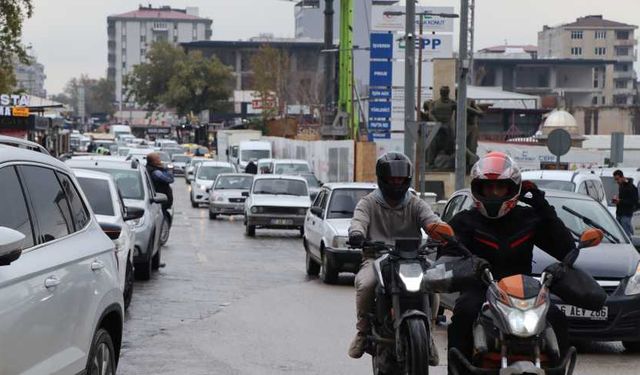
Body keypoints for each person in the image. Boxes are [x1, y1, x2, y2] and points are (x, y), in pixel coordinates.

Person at [444, 151, 574, 372]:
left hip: (525, 293)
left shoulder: (529, 218)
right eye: (488, 187)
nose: (494, 193)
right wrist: (468, 266)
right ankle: (459, 370)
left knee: (557, 316)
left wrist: (543, 206)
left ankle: (558, 369)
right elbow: (446, 255)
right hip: (481, 288)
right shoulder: (464, 221)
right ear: (478, 188)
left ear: (512, 189)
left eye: (500, 187)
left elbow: (565, 248)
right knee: (464, 313)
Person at [347, 152, 441, 362]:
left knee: (434, 283)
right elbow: (358, 221)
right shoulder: (368, 203)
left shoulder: (416, 204)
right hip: (377, 259)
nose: (396, 183)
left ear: (407, 180)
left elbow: (431, 221)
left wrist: (443, 232)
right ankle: (362, 333)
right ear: (382, 179)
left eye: (400, 179)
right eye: (392, 179)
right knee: (365, 284)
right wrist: (357, 234)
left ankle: (429, 336)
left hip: (413, 259)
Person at [146, 152, 175, 227]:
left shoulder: (154, 169)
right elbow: (169, 179)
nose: (160, 161)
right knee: (160, 222)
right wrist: (169, 170)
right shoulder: (156, 172)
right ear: (154, 161)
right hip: (160, 201)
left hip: (161, 201)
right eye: (158, 159)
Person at [612, 169, 637, 236]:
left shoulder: (631, 187)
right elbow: (623, 199)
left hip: (626, 214)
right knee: (620, 235)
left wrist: (620, 201)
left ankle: (631, 243)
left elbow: (634, 201)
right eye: (615, 180)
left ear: (622, 177)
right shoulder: (621, 186)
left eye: (617, 179)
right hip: (619, 213)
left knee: (626, 235)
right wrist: (616, 200)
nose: (616, 181)